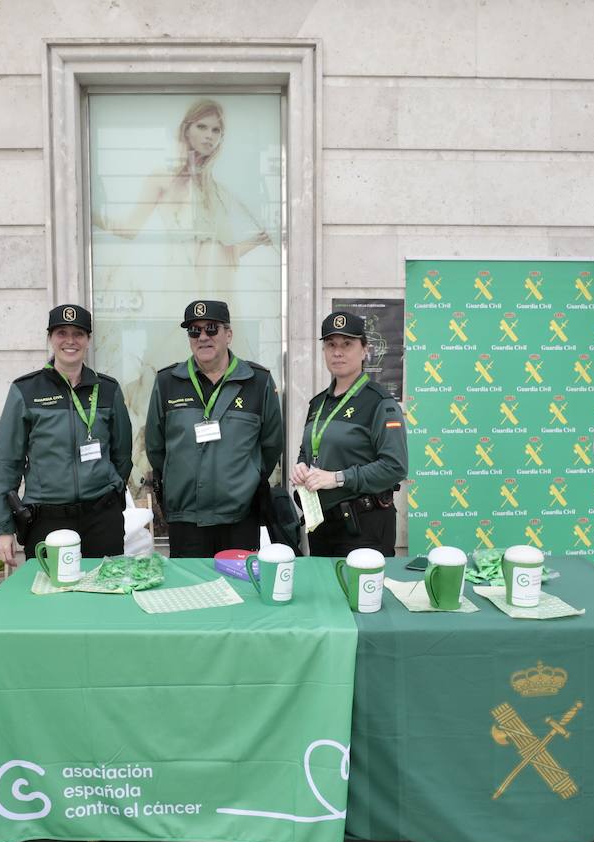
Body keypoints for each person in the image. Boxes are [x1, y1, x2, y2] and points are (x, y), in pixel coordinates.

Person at [0, 304, 132, 566]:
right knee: (51, 600)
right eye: (61, 333)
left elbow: (122, 453)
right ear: (50, 338)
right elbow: (6, 463)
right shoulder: (26, 390)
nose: (70, 341)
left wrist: (110, 487)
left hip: (101, 518)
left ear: (88, 340)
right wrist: (3, 528)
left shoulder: (108, 389)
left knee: (104, 597)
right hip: (47, 520)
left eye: (78, 333)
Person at [92, 98, 274, 300]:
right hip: (180, 287)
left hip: (218, 289)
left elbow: (223, 256)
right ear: (187, 130)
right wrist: (87, 214)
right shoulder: (163, 179)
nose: (209, 136)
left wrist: (256, 241)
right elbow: (129, 230)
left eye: (216, 130)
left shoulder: (219, 192)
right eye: (202, 126)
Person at [146, 299, 283, 557]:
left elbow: (271, 445)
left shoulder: (257, 381)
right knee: (190, 595)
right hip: (186, 518)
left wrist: (246, 479)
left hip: (240, 517)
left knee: (240, 592)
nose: (203, 337)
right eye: (194, 331)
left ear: (228, 334)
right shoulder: (167, 382)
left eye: (211, 328)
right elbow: (156, 447)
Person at [290, 311, 408, 556]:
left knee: (360, 594)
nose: (338, 352)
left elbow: (395, 467)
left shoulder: (380, 403)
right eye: (330, 345)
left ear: (365, 350)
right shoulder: (318, 403)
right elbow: (309, 450)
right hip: (322, 524)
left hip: (365, 526)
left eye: (347, 344)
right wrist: (301, 466)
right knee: (323, 592)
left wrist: (338, 478)